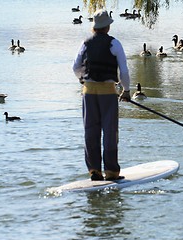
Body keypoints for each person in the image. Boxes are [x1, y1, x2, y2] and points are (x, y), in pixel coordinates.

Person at [72, 9, 131, 181]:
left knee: (90, 131)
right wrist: (126, 91)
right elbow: (124, 72)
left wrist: (82, 80)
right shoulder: (114, 44)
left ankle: (94, 171)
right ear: (108, 27)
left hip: (88, 93)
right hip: (108, 93)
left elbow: (75, 67)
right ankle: (111, 172)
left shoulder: (85, 43)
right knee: (110, 131)